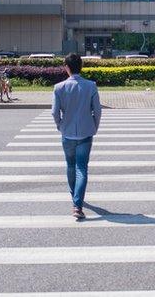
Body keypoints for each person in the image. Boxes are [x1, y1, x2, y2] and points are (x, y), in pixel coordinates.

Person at [51, 53, 102, 219]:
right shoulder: (91, 86)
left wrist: (60, 125)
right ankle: (77, 204)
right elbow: (98, 110)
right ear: (81, 66)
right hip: (86, 133)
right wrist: (94, 126)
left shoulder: (59, 88)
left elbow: (54, 112)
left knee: (71, 166)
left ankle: (75, 197)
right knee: (82, 168)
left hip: (67, 133)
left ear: (66, 67)